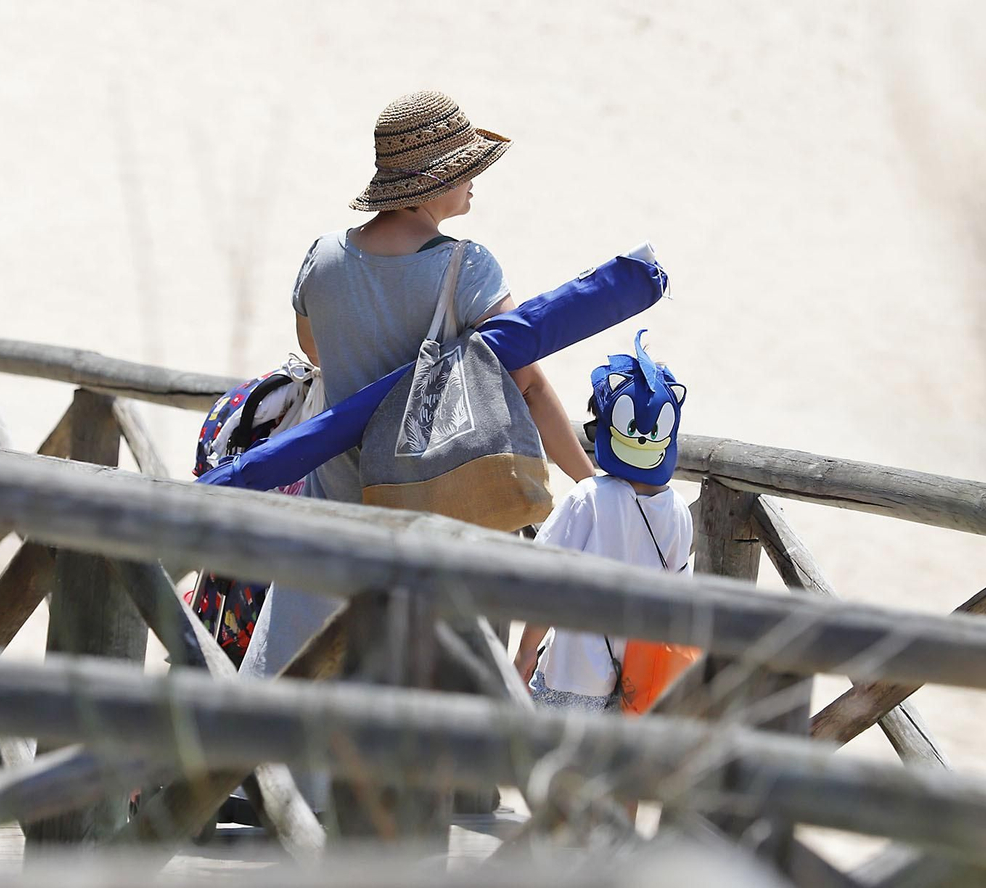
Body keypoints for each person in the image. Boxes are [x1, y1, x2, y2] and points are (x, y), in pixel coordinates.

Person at [239, 90, 597, 681]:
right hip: (427, 530)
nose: (476, 179)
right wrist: (590, 484)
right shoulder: (466, 268)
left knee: (292, 705)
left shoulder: (322, 259)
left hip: (329, 522)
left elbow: (314, 351)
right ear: (434, 181)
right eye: (467, 167)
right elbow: (529, 386)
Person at [514, 334, 696, 714]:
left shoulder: (588, 499)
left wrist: (526, 651)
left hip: (572, 674)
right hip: (639, 682)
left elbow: (547, 581)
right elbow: (677, 603)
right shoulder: (679, 511)